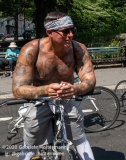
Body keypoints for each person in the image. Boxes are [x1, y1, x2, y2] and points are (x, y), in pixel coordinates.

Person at [13, 11, 96, 160]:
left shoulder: (78, 49)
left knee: (79, 138)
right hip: (39, 100)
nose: (70, 35)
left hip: (68, 98)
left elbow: (90, 80)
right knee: (31, 144)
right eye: (65, 31)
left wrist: (75, 89)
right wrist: (45, 89)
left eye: (72, 30)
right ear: (49, 32)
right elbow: (17, 89)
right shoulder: (31, 49)